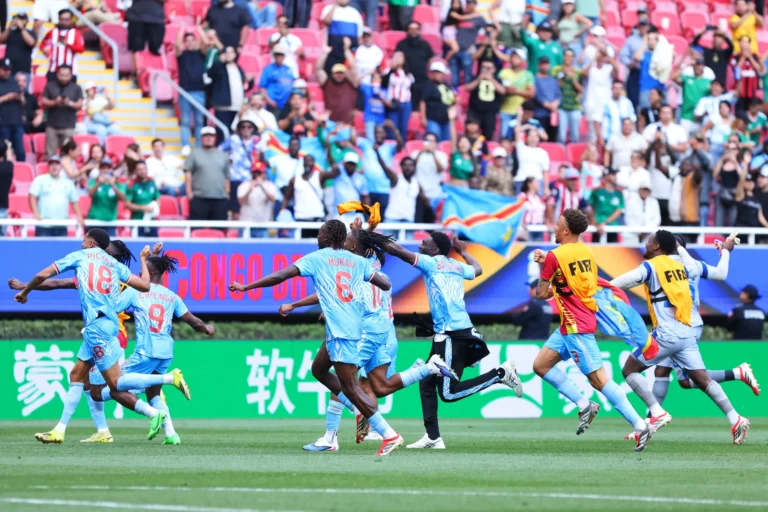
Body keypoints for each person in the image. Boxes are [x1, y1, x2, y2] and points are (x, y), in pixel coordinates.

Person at [230, 220, 404, 456]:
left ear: (328, 237)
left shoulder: (317, 258)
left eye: (320, 233)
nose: (317, 237)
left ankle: (389, 434)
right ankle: (356, 412)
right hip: (345, 327)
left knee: (350, 387)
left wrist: (246, 287)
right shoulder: (357, 261)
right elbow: (385, 283)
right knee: (319, 370)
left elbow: (280, 276)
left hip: (342, 332)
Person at [14, 230, 192, 444]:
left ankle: (164, 389)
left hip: (103, 330)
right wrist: (150, 257)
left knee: (113, 386)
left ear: (94, 244)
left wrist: (25, 289)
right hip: (106, 328)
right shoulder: (116, 268)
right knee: (78, 377)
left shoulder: (86, 262)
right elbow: (148, 283)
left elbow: (54, 281)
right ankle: (65, 430)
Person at [382, 233, 522, 449]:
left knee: (449, 392)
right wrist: (464, 251)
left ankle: (500, 374)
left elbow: (398, 251)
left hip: (450, 336)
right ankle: (433, 437)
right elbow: (477, 269)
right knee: (426, 382)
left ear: (435, 250)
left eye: (425, 243)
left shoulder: (431, 263)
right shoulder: (456, 265)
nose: (420, 244)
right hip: (455, 332)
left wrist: (372, 237)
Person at [611, 230, 751, 445]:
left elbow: (617, 284)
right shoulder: (687, 266)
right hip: (687, 330)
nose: (646, 244)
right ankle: (735, 418)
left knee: (629, 370)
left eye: (649, 241)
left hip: (666, 333)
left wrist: (593, 289)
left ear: (658, 246)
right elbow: (721, 273)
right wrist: (725, 251)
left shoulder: (650, 267)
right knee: (700, 378)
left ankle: (656, 412)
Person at [531, 209, 652, 451]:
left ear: (566, 230)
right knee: (541, 365)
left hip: (576, 325)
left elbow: (541, 293)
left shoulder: (555, 256)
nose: (554, 227)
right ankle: (584, 404)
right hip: (571, 323)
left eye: (558, 224)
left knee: (599, 380)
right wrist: (551, 267)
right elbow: (579, 282)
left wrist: (544, 268)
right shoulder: (586, 251)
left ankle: (641, 426)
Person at [651, 235, 761, 408]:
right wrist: (725, 251)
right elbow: (721, 273)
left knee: (688, 380)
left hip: (682, 325)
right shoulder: (694, 264)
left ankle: (737, 373)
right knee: (663, 371)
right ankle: (652, 417)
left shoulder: (665, 267)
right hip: (684, 322)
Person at [29, 155, 85, 237]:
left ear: (61, 167)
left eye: (57, 164)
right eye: (52, 164)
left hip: (61, 225)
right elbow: (32, 196)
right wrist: (35, 212)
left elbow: (74, 201)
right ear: (48, 166)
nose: (54, 166)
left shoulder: (68, 183)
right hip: (43, 224)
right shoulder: (40, 180)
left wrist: (79, 216)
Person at [281, 155, 338, 233]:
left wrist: (329, 155)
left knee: (319, 240)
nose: (308, 163)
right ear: (303, 163)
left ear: (314, 163)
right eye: (306, 161)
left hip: (317, 218)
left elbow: (336, 172)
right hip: (300, 219)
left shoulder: (319, 176)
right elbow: (286, 197)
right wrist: (282, 212)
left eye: (310, 161)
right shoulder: (294, 180)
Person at [184, 126, 230, 223]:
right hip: (199, 197)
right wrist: (189, 192)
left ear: (215, 138)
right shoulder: (194, 154)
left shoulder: (223, 155)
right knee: (197, 228)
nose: (208, 138)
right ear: (201, 138)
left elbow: (226, 175)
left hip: (219, 198)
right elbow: (188, 173)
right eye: (206, 136)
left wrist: (227, 192)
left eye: (211, 136)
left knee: (219, 228)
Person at [209, 46, 253, 143]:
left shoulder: (238, 67)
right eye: (227, 52)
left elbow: (244, 86)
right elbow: (210, 74)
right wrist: (219, 61)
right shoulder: (220, 67)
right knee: (223, 132)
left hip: (237, 107)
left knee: (235, 133)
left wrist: (250, 81)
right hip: (223, 107)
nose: (229, 54)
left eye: (231, 52)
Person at [220, 119, 259, 222]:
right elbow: (219, 151)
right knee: (235, 209)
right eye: (243, 127)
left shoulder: (257, 141)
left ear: (253, 129)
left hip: (249, 179)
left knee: (249, 206)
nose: (246, 129)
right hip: (235, 178)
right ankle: (235, 230)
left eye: (249, 127)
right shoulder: (233, 139)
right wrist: (227, 159)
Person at [175, 27, 207, 153]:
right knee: (185, 120)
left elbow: (206, 43)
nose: (189, 43)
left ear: (195, 42)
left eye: (192, 40)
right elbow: (177, 45)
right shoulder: (181, 55)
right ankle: (185, 145)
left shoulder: (200, 54)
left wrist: (199, 29)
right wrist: (181, 29)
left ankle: (199, 145)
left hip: (199, 92)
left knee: (199, 121)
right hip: (185, 92)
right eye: (187, 41)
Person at [40, 64, 83, 158]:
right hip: (52, 125)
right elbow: (43, 101)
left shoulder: (76, 88)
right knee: (50, 154)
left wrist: (69, 103)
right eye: (61, 75)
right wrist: (55, 102)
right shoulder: (50, 86)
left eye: (66, 75)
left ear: (71, 75)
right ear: (57, 74)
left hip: (68, 126)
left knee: (67, 154)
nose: (63, 78)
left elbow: (80, 104)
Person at [317, 41, 359, 125]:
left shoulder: (351, 83)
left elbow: (353, 67)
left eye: (341, 73)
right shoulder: (327, 82)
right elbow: (318, 69)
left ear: (345, 73)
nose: (339, 75)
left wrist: (346, 50)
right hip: (330, 124)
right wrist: (324, 53)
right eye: (337, 73)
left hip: (347, 124)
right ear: (332, 73)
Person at [395, 22, 434, 109]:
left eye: (416, 29)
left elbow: (430, 61)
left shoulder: (425, 44)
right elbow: (397, 60)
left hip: (422, 80)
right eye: (411, 29)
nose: (414, 31)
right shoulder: (401, 44)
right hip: (406, 80)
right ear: (407, 30)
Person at [673, 54, 715, 136]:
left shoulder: (708, 82)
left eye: (700, 65)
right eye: (696, 65)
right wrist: (687, 65)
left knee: (698, 140)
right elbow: (674, 77)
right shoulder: (687, 79)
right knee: (683, 139)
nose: (698, 67)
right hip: (686, 117)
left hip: (701, 118)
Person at [499, 49, 535, 140]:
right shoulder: (504, 72)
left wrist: (516, 91)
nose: (514, 59)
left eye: (517, 57)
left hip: (521, 112)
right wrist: (522, 92)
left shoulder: (528, 75)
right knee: (505, 137)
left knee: (520, 138)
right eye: (513, 57)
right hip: (505, 110)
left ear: (522, 60)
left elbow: (531, 93)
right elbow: (504, 89)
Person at [583, 45, 616, 144]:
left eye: (603, 56)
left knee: (605, 132)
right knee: (592, 134)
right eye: (600, 56)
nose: (601, 58)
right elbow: (584, 73)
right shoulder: (592, 67)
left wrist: (607, 55)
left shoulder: (609, 68)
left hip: (605, 103)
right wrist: (594, 57)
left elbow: (617, 70)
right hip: (592, 103)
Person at [40, 9, 84, 83]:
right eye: (62, 19)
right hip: (53, 70)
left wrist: (68, 45)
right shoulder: (52, 32)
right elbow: (43, 44)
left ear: (71, 20)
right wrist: (44, 49)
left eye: (67, 19)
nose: (64, 22)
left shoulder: (76, 33)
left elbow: (81, 48)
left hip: (70, 71)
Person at [450, 0, 486, 88]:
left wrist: (475, 46)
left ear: (475, 4)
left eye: (471, 3)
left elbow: (483, 34)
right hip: (455, 51)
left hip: (467, 52)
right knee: (454, 80)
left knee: (468, 80)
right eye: (467, 3)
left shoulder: (479, 19)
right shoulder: (461, 15)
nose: (469, 5)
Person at [514, 107, 550, 195]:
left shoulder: (543, 153)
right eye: (531, 136)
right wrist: (520, 117)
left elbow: (545, 172)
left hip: (537, 181)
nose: (533, 138)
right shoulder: (522, 148)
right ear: (526, 138)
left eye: (535, 136)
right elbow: (517, 131)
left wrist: (546, 188)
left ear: (538, 139)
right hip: (521, 180)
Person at [320, 0, 364, 73]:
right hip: (333, 51)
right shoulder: (328, 8)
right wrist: (335, 6)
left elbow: (359, 36)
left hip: (349, 52)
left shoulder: (354, 12)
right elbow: (326, 21)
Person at [412, 132, 447, 222]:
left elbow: (441, 169)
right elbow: (411, 168)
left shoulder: (441, 155)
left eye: (432, 141)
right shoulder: (416, 153)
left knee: (431, 222)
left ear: (436, 143)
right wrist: (421, 153)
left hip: (434, 195)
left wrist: (433, 154)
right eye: (427, 140)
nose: (429, 143)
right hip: (419, 194)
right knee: (417, 221)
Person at [86, 158, 126, 237]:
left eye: (108, 168)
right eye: (103, 168)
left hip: (110, 222)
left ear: (111, 169)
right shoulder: (94, 181)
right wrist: (99, 183)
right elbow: (90, 194)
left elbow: (122, 198)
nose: (105, 170)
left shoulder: (118, 182)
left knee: (110, 244)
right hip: (94, 221)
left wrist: (113, 184)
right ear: (99, 169)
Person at [237, 161, 277, 238]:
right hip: (246, 225)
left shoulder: (270, 186)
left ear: (264, 173)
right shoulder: (244, 185)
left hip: (263, 225)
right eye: (255, 173)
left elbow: (273, 199)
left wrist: (262, 187)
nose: (257, 175)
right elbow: (240, 202)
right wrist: (249, 190)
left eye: (259, 173)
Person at [126, 0, 165, 78]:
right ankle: (135, 75)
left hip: (156, 18)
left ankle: (153, 76)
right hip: (136, 16)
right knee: (135, 48)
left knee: (155, 50)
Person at [551, 49, 583, 144]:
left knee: (575, 136)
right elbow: (555, 85)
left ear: (574, 58)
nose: (568, 58)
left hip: (575, 106)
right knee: (561, 136)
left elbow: (581, 89)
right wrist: (564, 74)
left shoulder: (578, 72)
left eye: (570, 56)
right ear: (563, 57)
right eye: (566, 55)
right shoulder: (556, 69)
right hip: (561, 106)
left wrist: (572, 78)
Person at [466, 62, 504, 141]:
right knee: (471, 134)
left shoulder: (497, 79)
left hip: (490, 113)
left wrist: (491, 79)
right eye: (483, 68)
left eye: (488, 68)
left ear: (494, 69)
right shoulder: (475, 77)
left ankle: (485, 147)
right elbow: (468, 88)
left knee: (488, 135)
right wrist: (479, 79)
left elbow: (502, 91)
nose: (485, 70)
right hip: (475, 111)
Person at [420, 61, 455, 142]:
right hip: (433, 119)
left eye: (438, 72)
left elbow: (451, 101)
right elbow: (423, 101)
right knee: (433, 141)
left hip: (446, 120)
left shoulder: (446, 86)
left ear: (443, 74)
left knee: (446, 143)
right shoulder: (428, 85)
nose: (436, 74)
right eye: (434, 72)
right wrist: (423, 118)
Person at [125, 160, 160, 237]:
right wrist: (143, 208)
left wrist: (156, 206)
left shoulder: (152, 182)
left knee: (155, 244)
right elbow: (127, 204)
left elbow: (157, 197)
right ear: (135, 171)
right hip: (137, 222)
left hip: (152, 222)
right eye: (140, 169)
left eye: (144, 169)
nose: (142, 171)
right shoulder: (132, 184)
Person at [0, 14, 36, 87]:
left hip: (24, 70)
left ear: (26, 21)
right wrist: (9, 28)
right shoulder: (10, 32)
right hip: (9, 70)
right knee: (8, 89)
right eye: (17, 19)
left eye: (22, 19)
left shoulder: (30, 32)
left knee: (23, 91)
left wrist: (22, 28)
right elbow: (1, 40)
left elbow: (31, 42)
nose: (19, 21)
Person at [0, 58, 25, 162]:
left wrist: (20, 98)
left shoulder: (13, 81)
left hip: (16, 122)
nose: (7, 72)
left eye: (9, 69)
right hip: (3, 123)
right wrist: (7, 97)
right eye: (4, 69)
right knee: (5, 151)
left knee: (20, 152)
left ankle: (21, 170)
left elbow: (23, 103)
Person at [598, 80, 635, 148]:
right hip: (608, 137)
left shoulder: (627, 103)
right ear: (611, 89)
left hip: (624, 138)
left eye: (620, 88)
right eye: (615, 88)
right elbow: (598, 121)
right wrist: (600, 137)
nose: (617, 91)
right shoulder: (605, 103)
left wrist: (633, 136)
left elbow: (633, 120)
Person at [589, 168, 623, 243]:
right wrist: (596, 223)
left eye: (615, 174)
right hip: (597, 227)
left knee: (613, 249)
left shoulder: (619, 193)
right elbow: (591, 207)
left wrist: (605, 223)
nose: (615, 177)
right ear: (606, 176)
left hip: (612, 227)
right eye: (613, 174)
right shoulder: (597, 191)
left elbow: (619, 210)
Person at [669, 157, 703, 231]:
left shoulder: (691, 177)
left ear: (692, 167)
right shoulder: (677, 177)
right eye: (683, 165)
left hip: (690, 220)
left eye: (687, 165)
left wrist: (697, 170)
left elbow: (698, 178)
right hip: (676, 219)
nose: (684, 167)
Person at [532, 56, 561, 143]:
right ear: (538, 65)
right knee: (541, 138)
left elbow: (558, 95)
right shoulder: (534, 79)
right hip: (540, 114)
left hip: (553, 114)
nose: (545, 66)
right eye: (543, 64)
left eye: (546, 64)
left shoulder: (553, 79)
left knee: (553, 138)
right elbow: (536, 95)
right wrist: (547, 105)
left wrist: (554, 105)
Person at [623, 179, 660, 244]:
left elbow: (656, 219)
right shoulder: (631, 202)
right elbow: (628, 219)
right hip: (633, 234)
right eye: (643, 189)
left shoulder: (654, 202)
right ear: (639, 190)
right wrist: (639, 232)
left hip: (649, 234)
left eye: (647, 190)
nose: (645, 192)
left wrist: (646, 231)